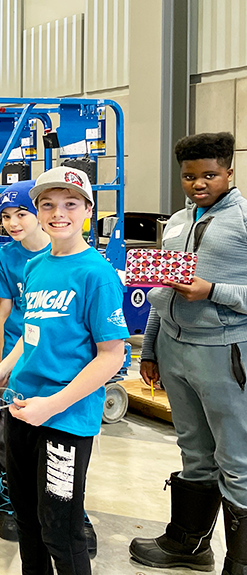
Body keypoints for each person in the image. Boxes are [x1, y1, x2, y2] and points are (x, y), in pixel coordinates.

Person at [0, 166, 128, 574]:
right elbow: (30, 336)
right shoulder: (35, 266)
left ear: (88, 210)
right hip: (22, 411)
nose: (58, 213)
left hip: (65, 420)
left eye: (70, 204)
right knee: (27, 520)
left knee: (60, 529)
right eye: (48, 205)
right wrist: (2, 371)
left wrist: (54, 405)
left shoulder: (96, 274)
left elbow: (111, 356)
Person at [129, 132, 247, 575]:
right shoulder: (177, 222)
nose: (199, 183)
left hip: (225, 353)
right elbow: (163, 289)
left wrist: (213, 290)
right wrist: (152, 348)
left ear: (229, 172)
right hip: (175, 353)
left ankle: (241, 562)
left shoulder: (243, 219)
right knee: (194, 452)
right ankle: (190, 544)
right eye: (189, 176)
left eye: (210, 175)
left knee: (236, 459)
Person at [0, 179, 50, 541]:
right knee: (9, 438)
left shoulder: (63, 253)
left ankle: (73, 508)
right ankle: (9, 501)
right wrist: (0, 366)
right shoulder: (6, 257)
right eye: (6, 216)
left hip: (56, 359)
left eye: (21, 214)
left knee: (61, 439)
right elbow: (4, 312)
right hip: (17, 359)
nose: (13, 223)